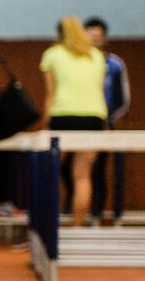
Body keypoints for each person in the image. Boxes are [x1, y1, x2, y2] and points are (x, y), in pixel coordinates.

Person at [40, 16, 108, 227]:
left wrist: (45, 121)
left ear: (59, 35)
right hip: (94, 117)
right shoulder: (97, 56)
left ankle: (47, 227)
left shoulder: (52, 54)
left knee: (50, 172)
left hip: (63, 115)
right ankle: (78, 226)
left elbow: (50, 94)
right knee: (82, 176)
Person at [85, 16, 130, 223]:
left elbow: (123, 98)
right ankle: (74, 206)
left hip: (103, 124)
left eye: (98, 36)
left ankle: (96, 212)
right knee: (69, 167)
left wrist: (107, 118)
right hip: (80, 122)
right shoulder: (79, 62)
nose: (94, 39)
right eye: (90, 35)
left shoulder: (114, 64)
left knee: (97, 169)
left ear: (105, 38)